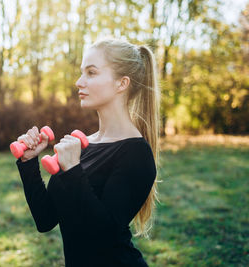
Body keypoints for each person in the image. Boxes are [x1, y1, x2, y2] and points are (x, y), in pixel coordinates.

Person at [15, 36, 161, 267]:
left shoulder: (136, 154)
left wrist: (73, 169)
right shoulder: (83, 145)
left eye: (91, 73)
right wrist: (29, 162)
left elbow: (102, 235)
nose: (78, 82)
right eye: (82, 72)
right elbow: (45, 219)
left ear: (121, 84)